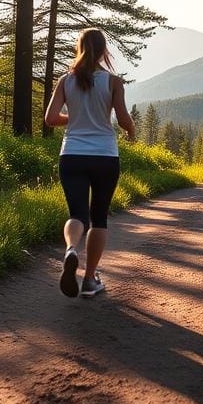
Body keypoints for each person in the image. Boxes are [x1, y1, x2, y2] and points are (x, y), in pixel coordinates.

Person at [44, 28, 135, 298]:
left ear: (79, 47)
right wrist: (131, 132)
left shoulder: (65, 81)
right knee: (99, 217)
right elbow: (122, 117)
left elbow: (50, 118)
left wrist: (73, 119)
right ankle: (90, 279)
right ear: (104, 51)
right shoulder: (113, 82)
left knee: (77, 215)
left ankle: (71, 249)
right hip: (105, 156)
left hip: (71, 154)